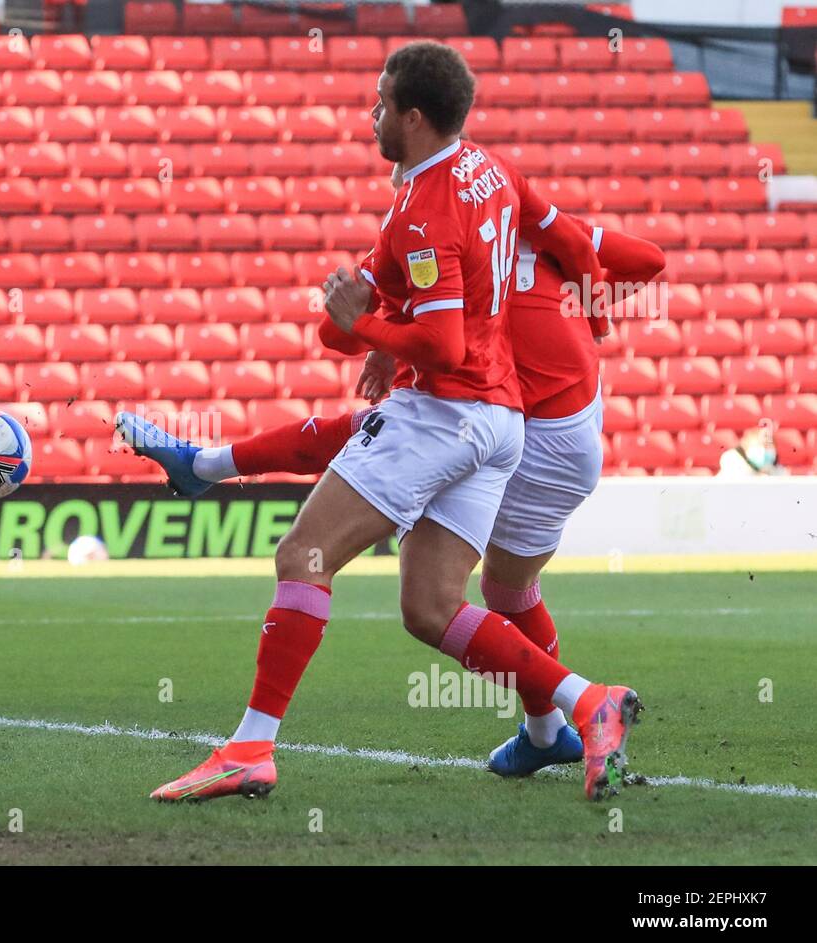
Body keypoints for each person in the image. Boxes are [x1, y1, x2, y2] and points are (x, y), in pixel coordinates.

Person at [124, 42, 642, 803]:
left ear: (415, 116)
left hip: (444, 413)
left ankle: (250, 748)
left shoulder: (425, 212)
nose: (371, 116)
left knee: (302, 554)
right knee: (430, 609)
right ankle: (586, 703)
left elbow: (439, 344)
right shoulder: (487, 170)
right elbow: (410, 301)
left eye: (380, 104)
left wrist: (366, 331)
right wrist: (360, 312)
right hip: (498, 422)